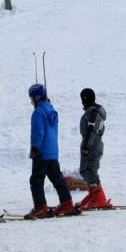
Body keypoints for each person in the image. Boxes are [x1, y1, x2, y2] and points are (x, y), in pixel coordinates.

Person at [24, 83, 74, 219]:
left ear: (36, 97)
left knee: (36, 180)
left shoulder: (38, 112)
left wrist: (35, 148)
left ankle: (40, 207)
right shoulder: (52, 110)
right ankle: (67, 203)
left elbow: (38, 132)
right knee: (57, 178)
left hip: (41, 152)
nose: (31, 101)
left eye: (31, 98)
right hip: (52, 152)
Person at [77, 88, 108, 209]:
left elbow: (92, 132)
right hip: (89, 145)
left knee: (90, 171)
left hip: (93, 146)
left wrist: (86, 146)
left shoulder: (93, 113)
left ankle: (99, 199)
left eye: (83, 99)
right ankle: (94, 196)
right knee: (84, 171)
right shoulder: (90, 112)